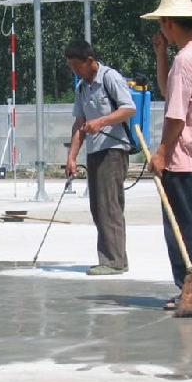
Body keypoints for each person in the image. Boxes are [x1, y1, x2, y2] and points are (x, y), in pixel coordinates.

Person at [142, 0, 192, 310]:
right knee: (191, 228)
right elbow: (168, 92)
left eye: (161, 24)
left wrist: (160, 152)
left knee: (182, 233)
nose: (161, 29)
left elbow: (175, 116)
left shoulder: (186, 60)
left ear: (169, 22)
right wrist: (160, 55)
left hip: (181, 158)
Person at [65, 39, 137, 275]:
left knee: (109, 206)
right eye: (72, 68)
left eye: (77, 66)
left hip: (114, 150)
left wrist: (101, 122)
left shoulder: (110, 78)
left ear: (89, 61)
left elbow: (128, 108)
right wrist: (72, 157)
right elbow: (79, 124)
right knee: (98, 207)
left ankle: (115, 261)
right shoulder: (82, 88)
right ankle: (109, 257)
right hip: (94, 151)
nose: (75, 71)